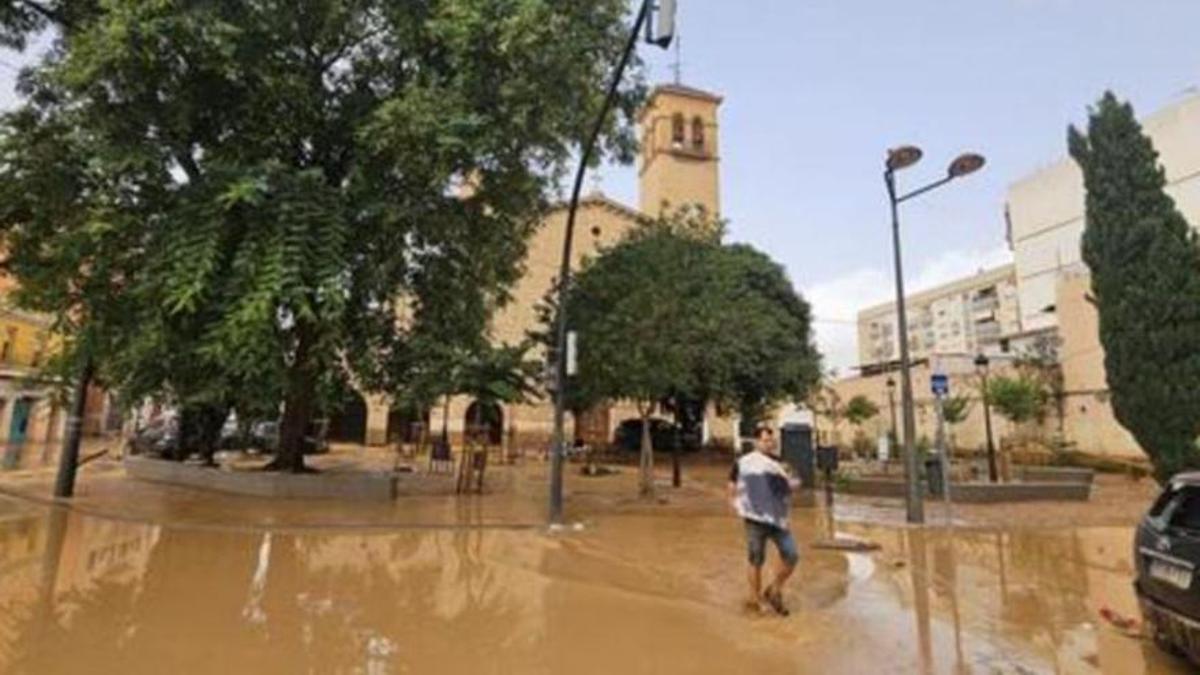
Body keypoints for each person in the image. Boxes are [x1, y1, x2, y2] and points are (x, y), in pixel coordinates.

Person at [728, 426, 799, 616]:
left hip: (777, 519)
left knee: (791, 554)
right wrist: (737, 505)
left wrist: (791, 483)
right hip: (754, 519)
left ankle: (774, 589)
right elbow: (733, 485)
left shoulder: (780, 464)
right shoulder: (743, 462)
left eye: (771, 440)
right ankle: (756, 599)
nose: (769, 443)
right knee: (756, 559)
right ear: (756, 441)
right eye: (765, 440)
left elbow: (791, 486)